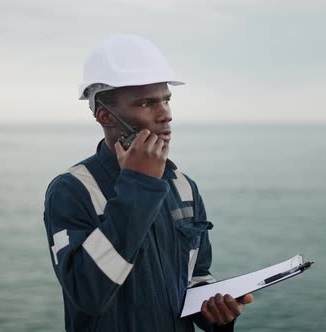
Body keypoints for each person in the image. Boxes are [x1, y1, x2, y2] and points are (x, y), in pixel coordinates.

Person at [43, 34, 253, 332]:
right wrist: (139, 186)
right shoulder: (72, 190)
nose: (165, 114)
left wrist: (216, 314)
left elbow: (195, 276)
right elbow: (88, 294)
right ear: (105, 116)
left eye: (166, 100)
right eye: (146, 103)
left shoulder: (183, 186)